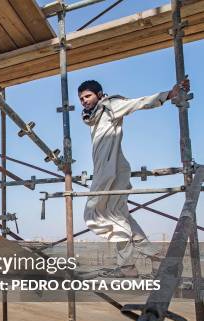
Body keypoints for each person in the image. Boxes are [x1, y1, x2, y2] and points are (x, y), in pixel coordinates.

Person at [77, 78, 190, 277]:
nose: (84, 101)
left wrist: (169, 94)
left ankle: (129, 266)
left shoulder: (110, 106)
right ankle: (148, 260)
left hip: (110, 172)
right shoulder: (93, 117)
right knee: (119, 216)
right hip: (110, 169)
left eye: (88, 96)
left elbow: (138, 103)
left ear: (99, 94)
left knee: (95, 213)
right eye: (81, 98)